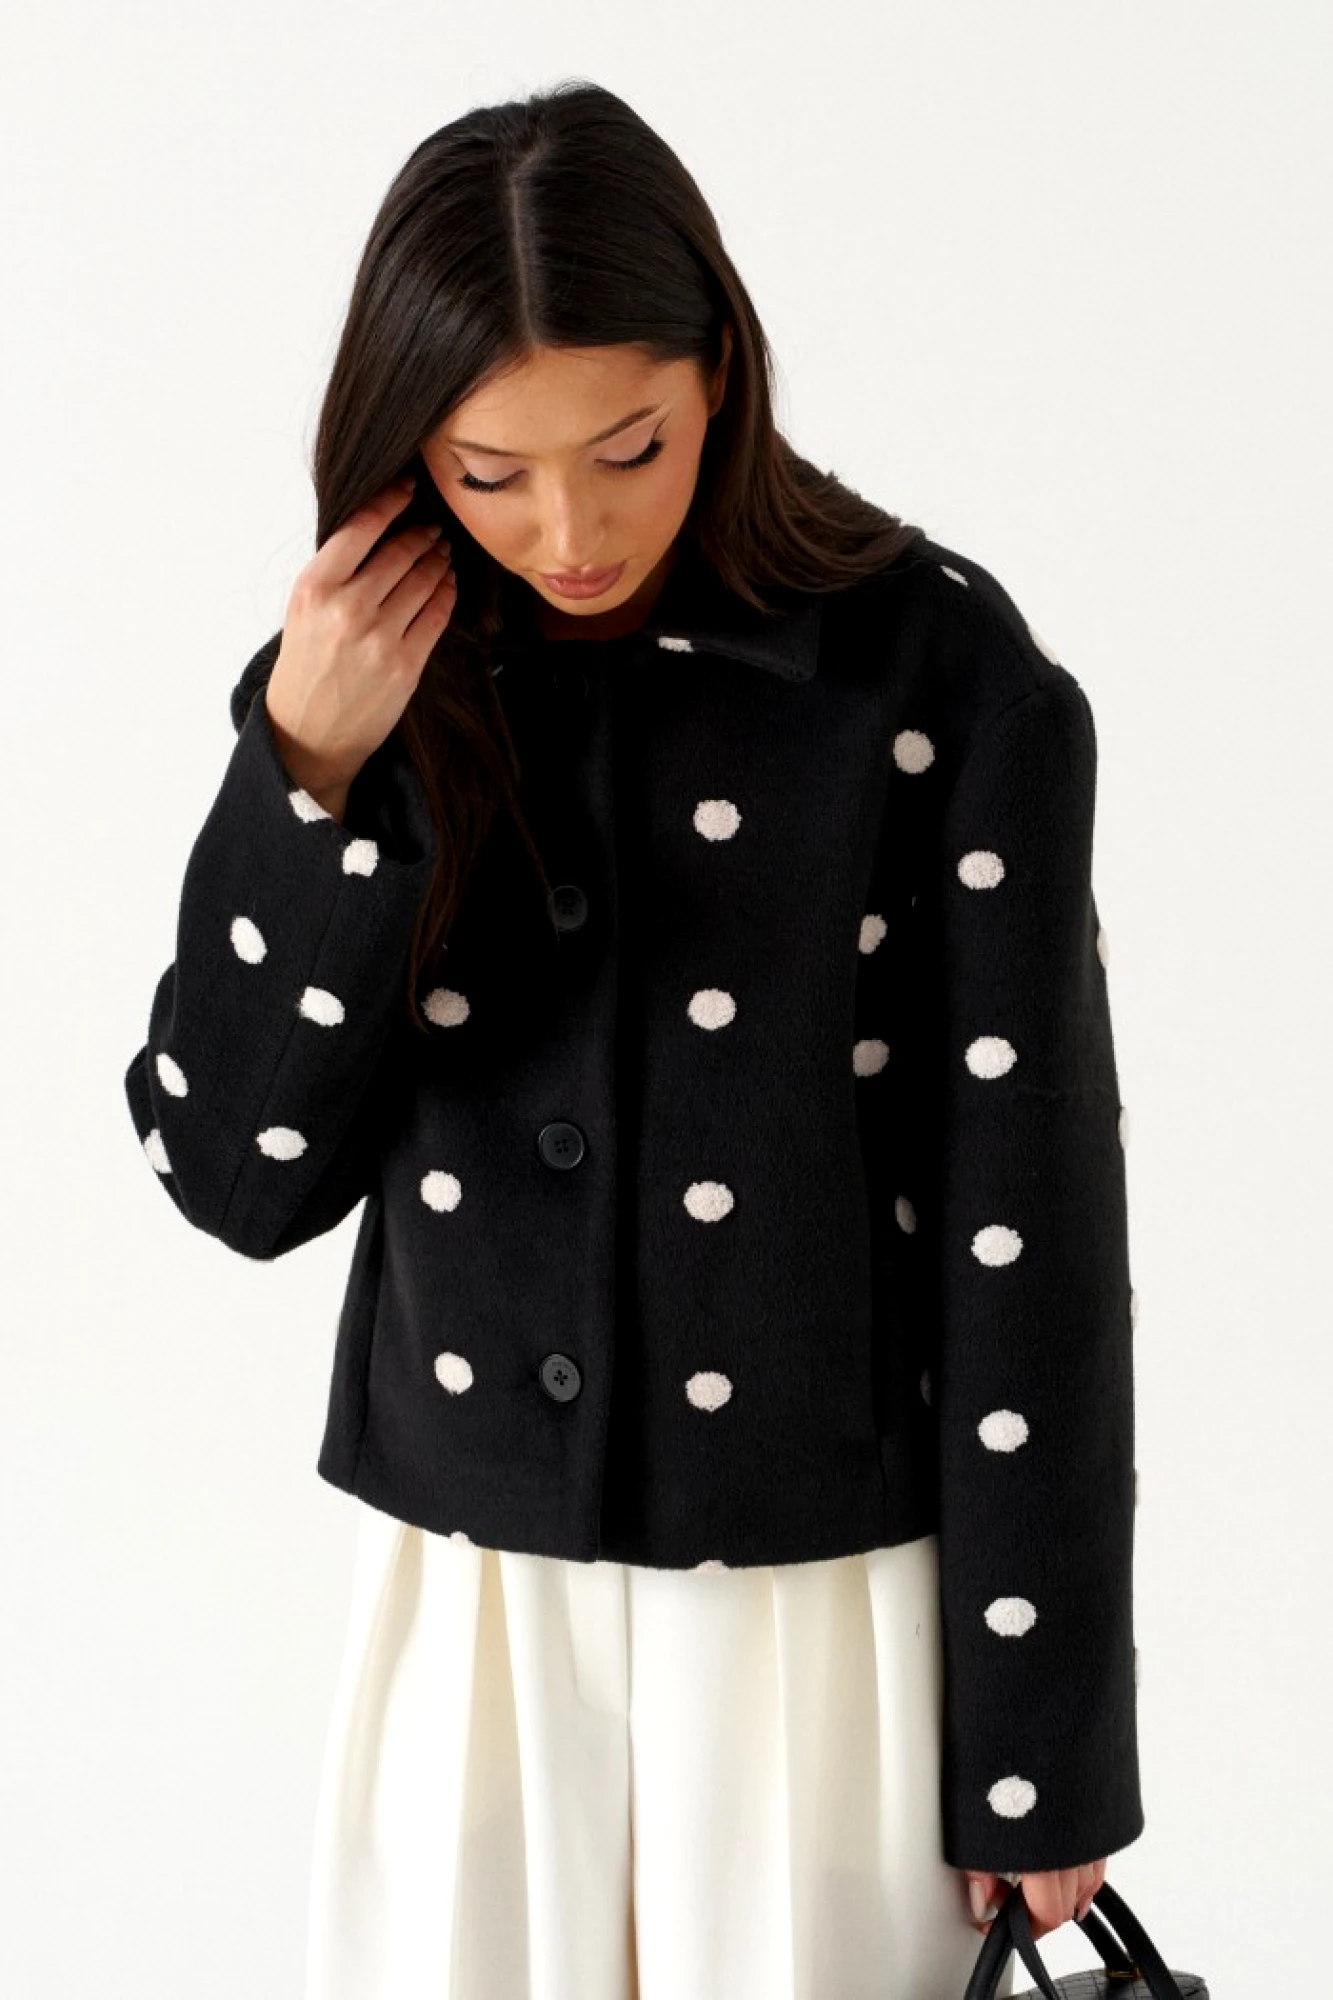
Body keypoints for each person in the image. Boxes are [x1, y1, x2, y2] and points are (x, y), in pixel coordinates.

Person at [123, 80, 1143, 2000]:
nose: (569, 529)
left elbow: (1031, 1242)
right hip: (471, 1606)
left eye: (629, 446)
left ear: (720, 376)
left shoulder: (942, 680)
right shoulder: (371, 685)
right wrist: (307, 763)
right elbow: (233, 1180)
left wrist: (1039, 1754)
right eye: (489, 472)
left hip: (815, 1618)